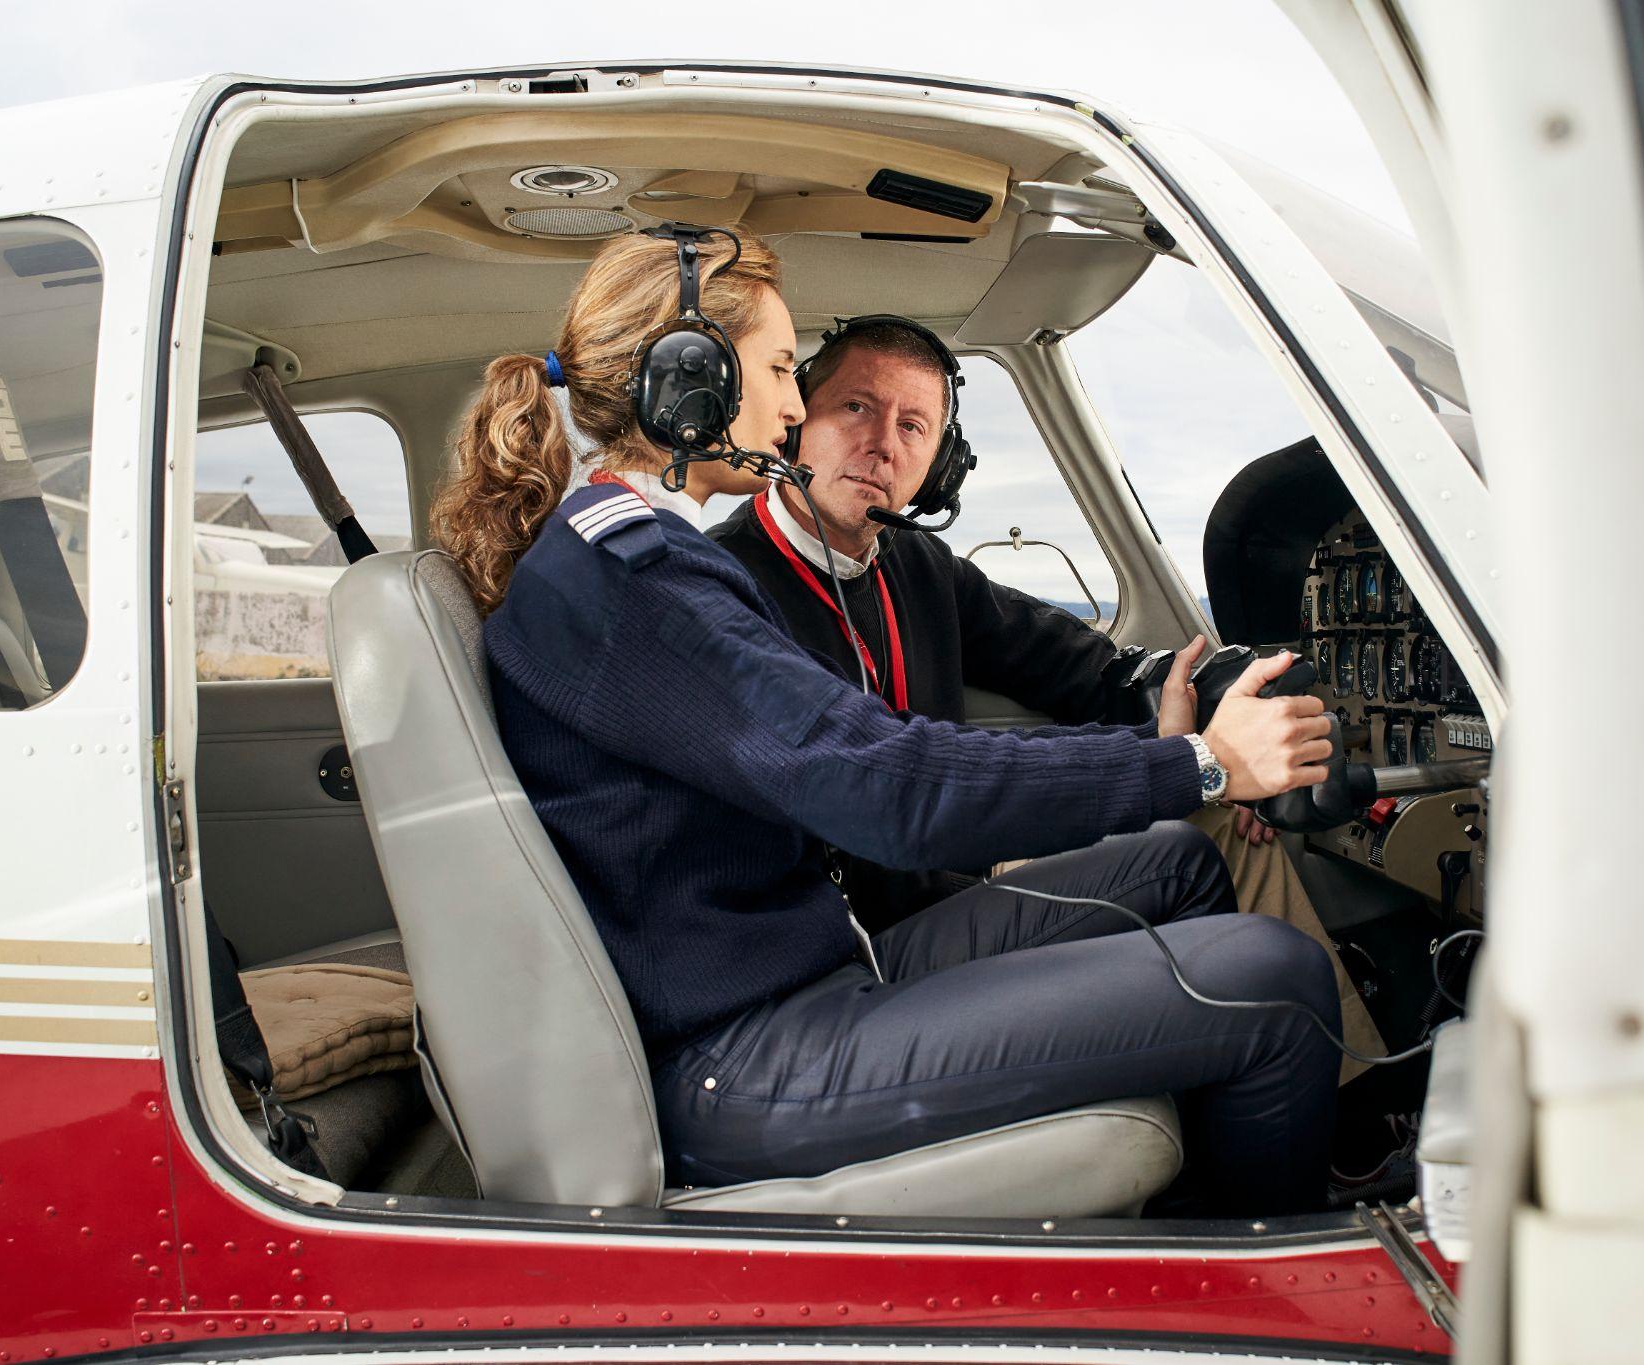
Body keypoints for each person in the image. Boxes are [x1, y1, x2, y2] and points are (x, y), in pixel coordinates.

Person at [430, 225, 1343, 1215]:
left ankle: (1202, 1165)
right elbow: (879, 783)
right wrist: (1199, 769)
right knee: (1273, 977)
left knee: (1182, 864)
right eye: (781, 369)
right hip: (742, 1056)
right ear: (686, 375)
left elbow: (882, 754)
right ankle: (1246, 1288)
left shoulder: (623, 550)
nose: (788, 407)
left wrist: (1166, 753)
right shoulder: (637, 575)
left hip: (806, 970)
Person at [706, 315, 1386, 1078]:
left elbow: (1083, 669)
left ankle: (1354, 1104)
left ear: (939, 464)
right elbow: (886, 789)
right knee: (1189, 816)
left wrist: (1200, 720)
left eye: (914, 425)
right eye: (856, 409)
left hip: (957, 878)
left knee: (1222, 824)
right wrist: (1190, 763)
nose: (883, 444)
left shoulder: (921, 568)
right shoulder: (725, 585)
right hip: (857, 938)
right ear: (797, 420)